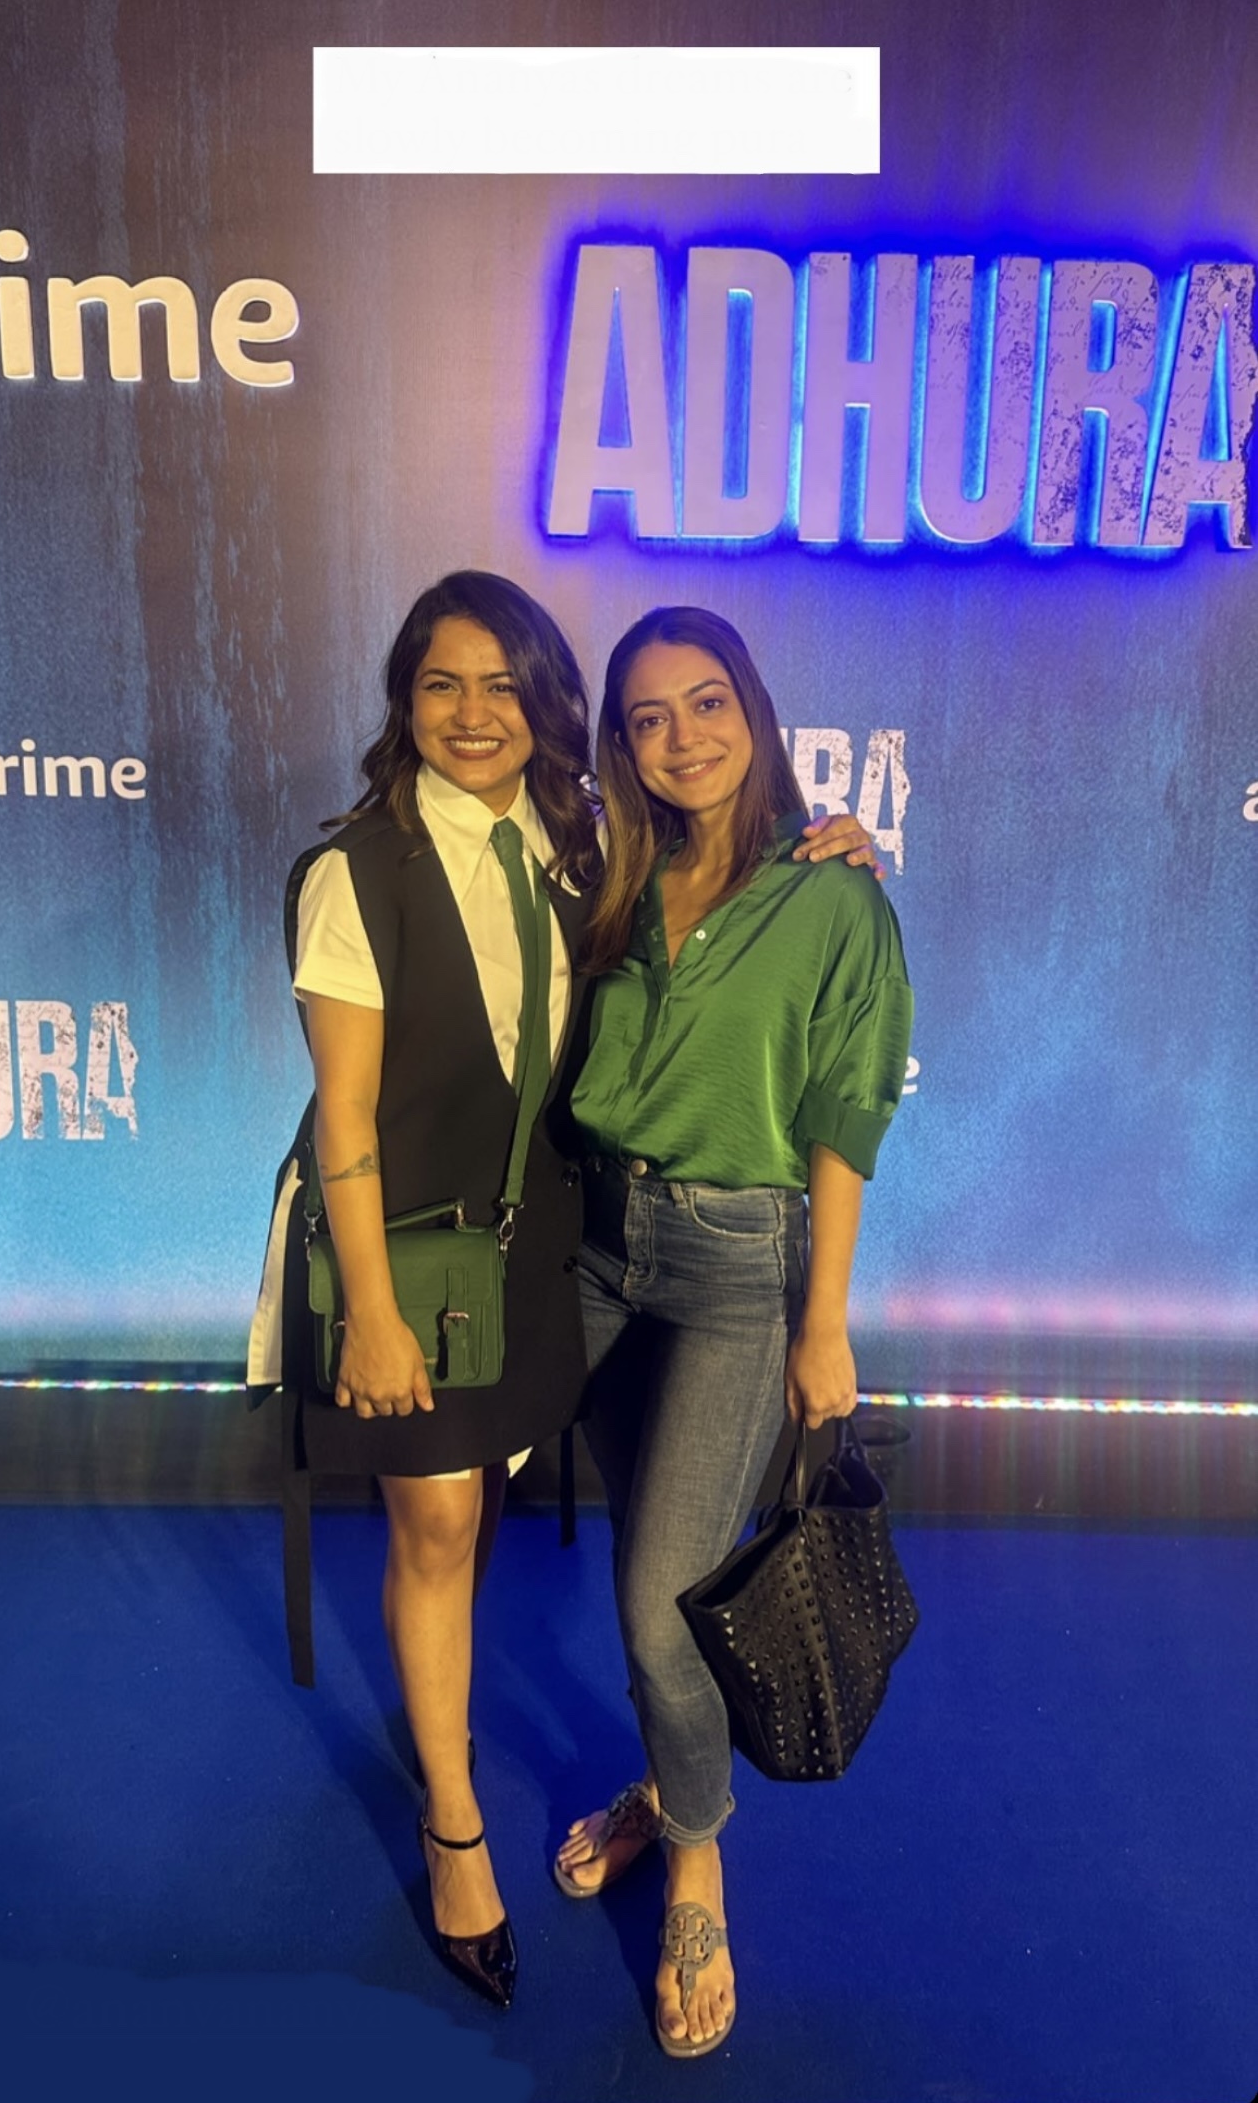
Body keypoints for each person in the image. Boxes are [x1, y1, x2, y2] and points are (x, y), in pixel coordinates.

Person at [266, 571, 879, 2013]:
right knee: (442, 1525)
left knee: (589, 1567)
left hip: (604, 1255)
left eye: (504, 685)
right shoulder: (369, 868)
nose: (474, 714)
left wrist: (829, 845)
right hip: (435, 1260)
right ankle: (456, 1823)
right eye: (441, 684)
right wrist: (370, 1310)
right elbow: (343, 1110)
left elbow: (817, 1060)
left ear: (545, 705)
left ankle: (653, 1829)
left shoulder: (584, 846)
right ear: (404, 701)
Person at [553, 606, 913, 2059]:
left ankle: (696, 1856)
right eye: (648, 717)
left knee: (663, 1605)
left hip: (735, 1265)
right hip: (594, 1245)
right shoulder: (612, 875)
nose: (681, 736)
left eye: (707, 703)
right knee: (639, 1545)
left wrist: (823, 1323)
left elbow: (846, 1113)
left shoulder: (832, 895)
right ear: (621, 744)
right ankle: (666, 1781)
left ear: (754, 712)